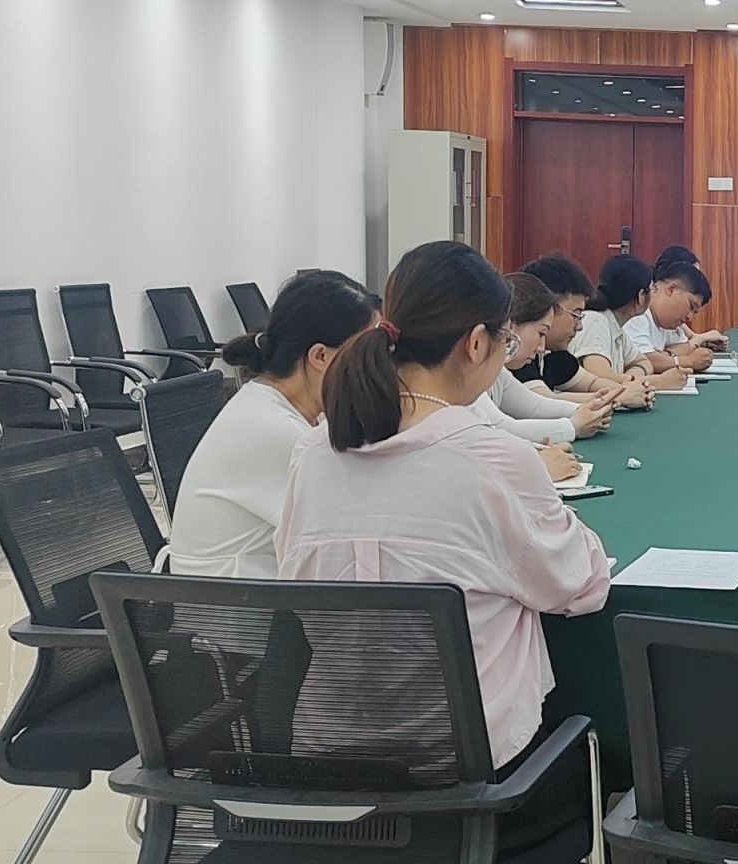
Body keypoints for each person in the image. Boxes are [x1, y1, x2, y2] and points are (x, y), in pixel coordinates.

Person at [277, 240, 612, 852]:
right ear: (477, 344)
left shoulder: (313, 452)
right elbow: (582, 587)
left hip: (330, 772)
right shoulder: (491, 458)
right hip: (478, 787)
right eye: (506, 341)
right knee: (605, 761)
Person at [170, 271, 377, 581]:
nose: (376, 366)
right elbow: (352, 532)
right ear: (320, 356)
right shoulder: (274, 428)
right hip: (229, 604)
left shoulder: (278, 405)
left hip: (251, 591)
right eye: (367, 353)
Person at [468, 273, 613, 481]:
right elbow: (503, 429)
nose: (542, 348)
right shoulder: (470, 374)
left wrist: (581, 411)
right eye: (541, 334)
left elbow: (534, 406)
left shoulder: (497, 370)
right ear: (511, 325)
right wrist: (573, 427)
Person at [515, 253, 631, 407]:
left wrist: (627, 390)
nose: (580, 326)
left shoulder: (552, 352)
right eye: (576, 314)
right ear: (548, 308)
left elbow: (592, 383)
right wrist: (617, 398)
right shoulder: (520, 352)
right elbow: (542, 402)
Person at [569, 254, 690, 394]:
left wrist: (632, 378)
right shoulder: (595, 322)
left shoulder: (615, 325)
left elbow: (643, 362)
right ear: (640, 296)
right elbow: (599, 378)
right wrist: (659, 382)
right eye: (652, 290)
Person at [625, 259, 717, 374]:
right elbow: (642, 361)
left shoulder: (664, 320)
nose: (689, 317)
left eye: (694, 312)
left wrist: (665, 356)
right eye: (691, 306)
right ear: (672, 289)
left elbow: (686, 347)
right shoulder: (637, 309)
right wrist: (689, 361)